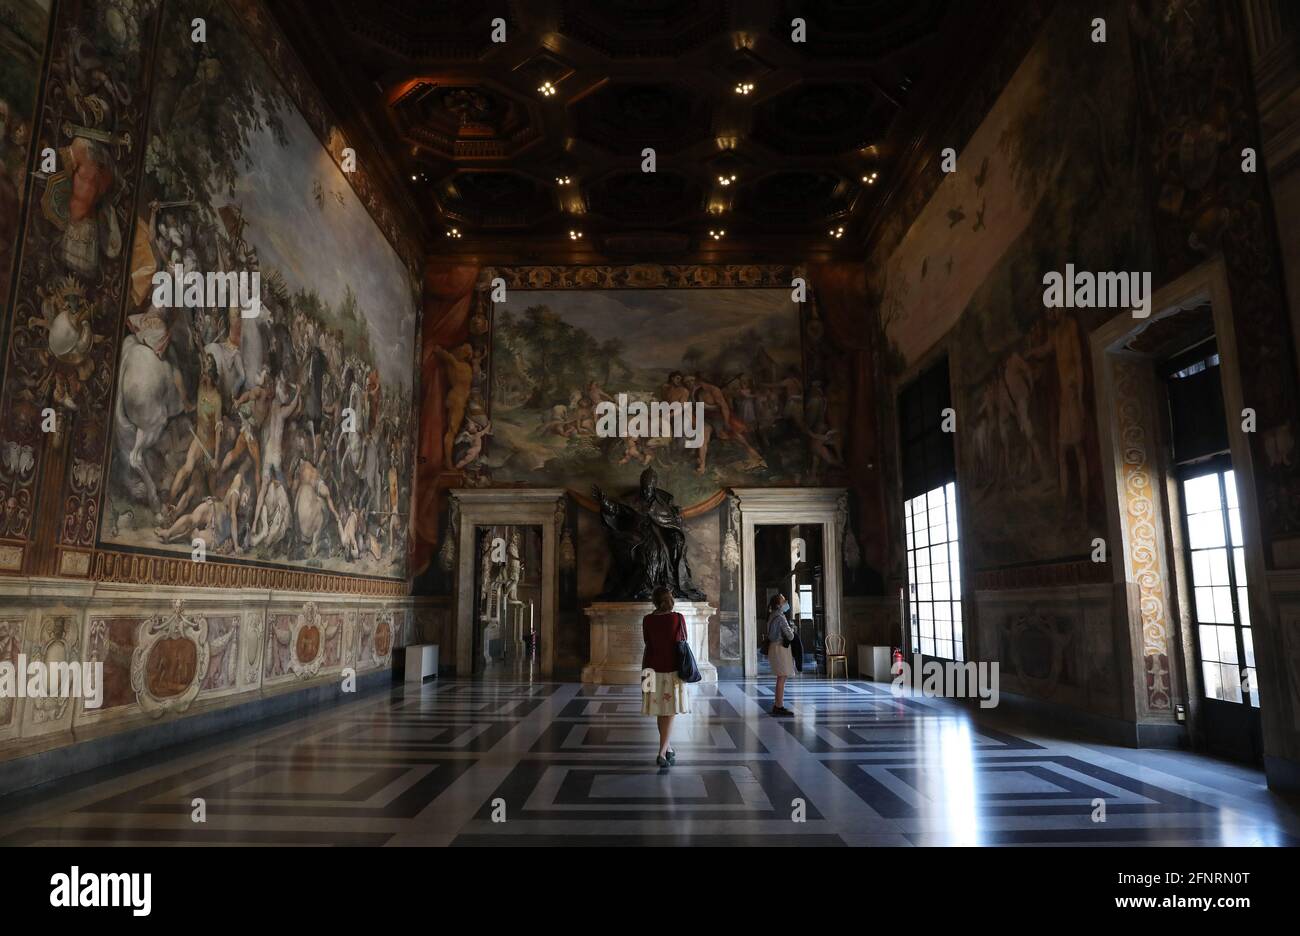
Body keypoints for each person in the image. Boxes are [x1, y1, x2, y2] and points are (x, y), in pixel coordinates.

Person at [641, 585, 690, 767]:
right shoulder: (677, 618)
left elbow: (647, 642)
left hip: (651, 670)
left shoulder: (647, 620)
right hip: (672, 669)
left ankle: (667, 747)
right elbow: (683, 641)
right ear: (671, 600)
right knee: (669, 711)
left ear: (654, 601)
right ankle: (662, 752)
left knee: (661, 710)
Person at [767, 593, 796, 716]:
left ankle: (778, 704)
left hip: (774, 648)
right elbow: (790, 635)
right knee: (782, 677)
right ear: (779, 605)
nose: (786, 603)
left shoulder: (772, 615)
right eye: (784, 601)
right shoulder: (780, 617)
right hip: (780, 648)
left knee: (781, 677)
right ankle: (778, 706)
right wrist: (793, 629)